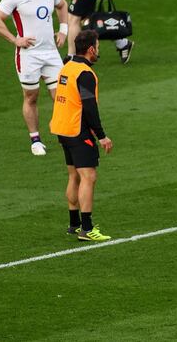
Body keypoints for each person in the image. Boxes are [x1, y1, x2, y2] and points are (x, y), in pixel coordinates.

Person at [0, 0, 68, 156]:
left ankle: (63, 133)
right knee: (31, 96)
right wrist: (15, 40)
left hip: (51, 53)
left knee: (61, 96)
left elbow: (62, 5)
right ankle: (35, 139)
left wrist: (64, 30)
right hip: (28, 55)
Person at [49, 30, 113, 241]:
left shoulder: (67, 66)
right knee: (88, 176)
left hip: (62, 127)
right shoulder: (85, 74)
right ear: (91, 49)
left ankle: (74, 223)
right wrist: (101, 135)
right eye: (98, 47)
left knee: (73, 175)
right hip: (78, 130)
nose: (98, 51)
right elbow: (89, 107)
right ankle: (86, 228)